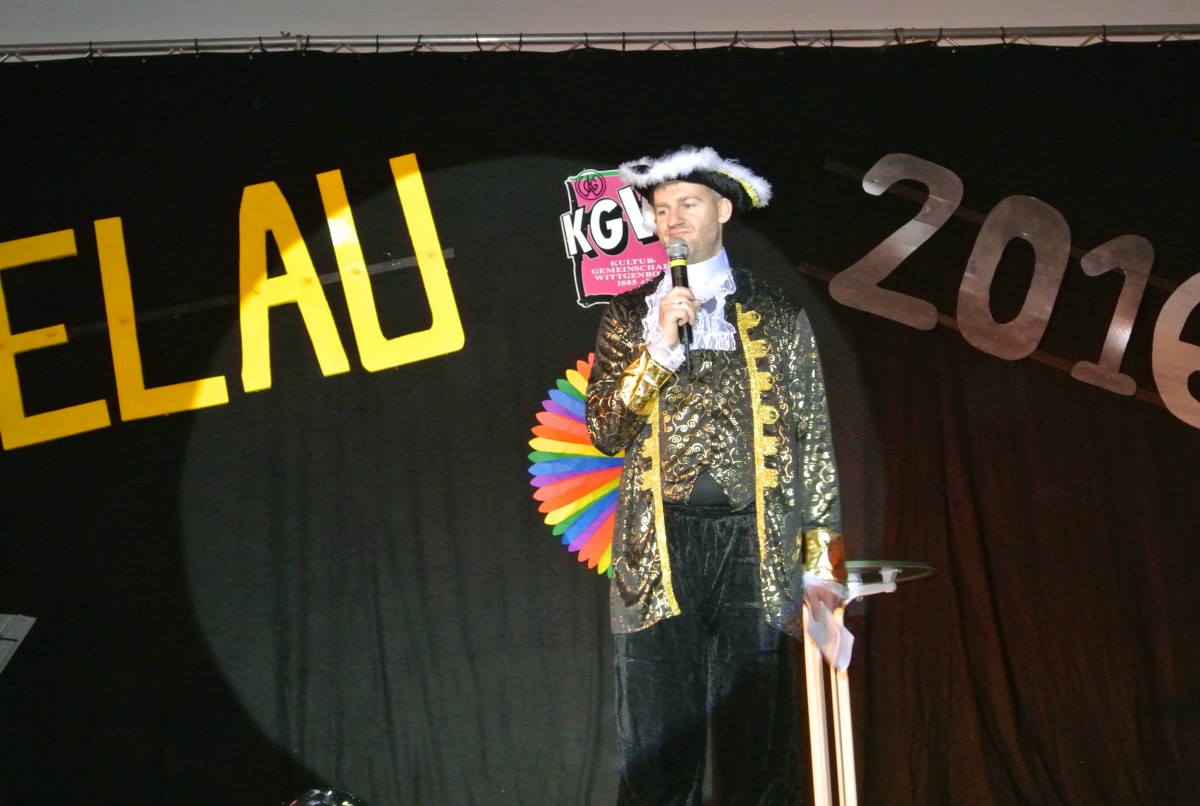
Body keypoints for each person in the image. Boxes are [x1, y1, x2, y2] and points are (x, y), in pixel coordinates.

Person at [585, 146, 848, 804]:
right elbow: (605, 430)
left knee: (757, 747)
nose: (673, 219)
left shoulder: (778, 315)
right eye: (661, 208)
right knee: (658, 747)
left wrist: (821, 569)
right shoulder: (629, 316)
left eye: (688, 204)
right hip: (658, 548)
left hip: (755, 548)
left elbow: (813, 439)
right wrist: (658, 349)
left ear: (723, 210)